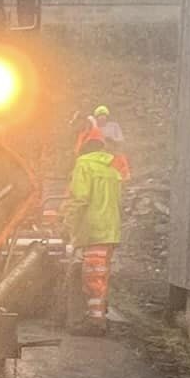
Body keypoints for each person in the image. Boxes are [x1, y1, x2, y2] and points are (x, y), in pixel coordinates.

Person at [65, 134, 124, 334]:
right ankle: (99, 316)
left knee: (92, 278)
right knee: (101, 276)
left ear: (84, 151)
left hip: (93, 231)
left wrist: (68, 224)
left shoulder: (84, 165)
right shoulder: (112, 169)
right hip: (111, 231)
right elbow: (118, 201)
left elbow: (80, 199)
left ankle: (95, 322)